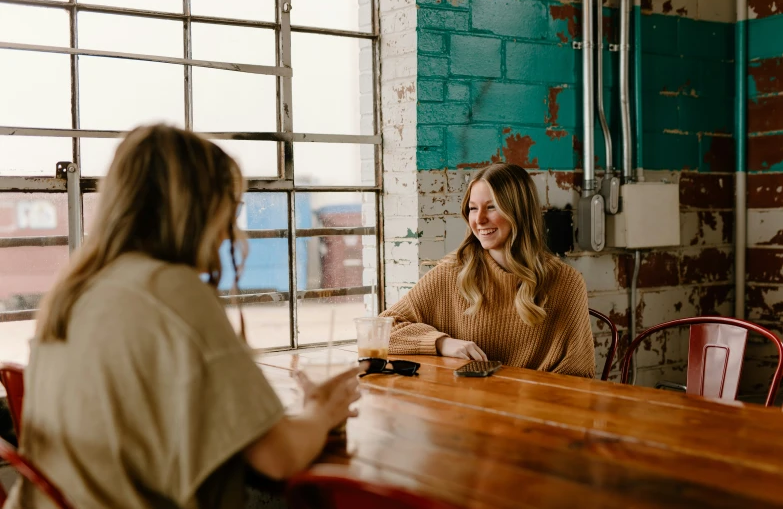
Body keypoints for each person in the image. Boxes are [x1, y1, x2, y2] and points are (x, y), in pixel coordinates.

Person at [6, 125, 365, 508]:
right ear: (204, 205)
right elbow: (279, 457)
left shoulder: (77, 287)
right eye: (232, 205)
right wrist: (321, 412)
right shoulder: (171, 289)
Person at [381, 164, 595, 378]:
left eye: (491, 207)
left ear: (519, 212)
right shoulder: (451, 273)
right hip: (466, 404)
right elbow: (383, 329)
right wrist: (441, 342)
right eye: (473, 208)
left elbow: (579, 374)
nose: (479, 219)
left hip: (534, 406)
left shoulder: (566, 281)